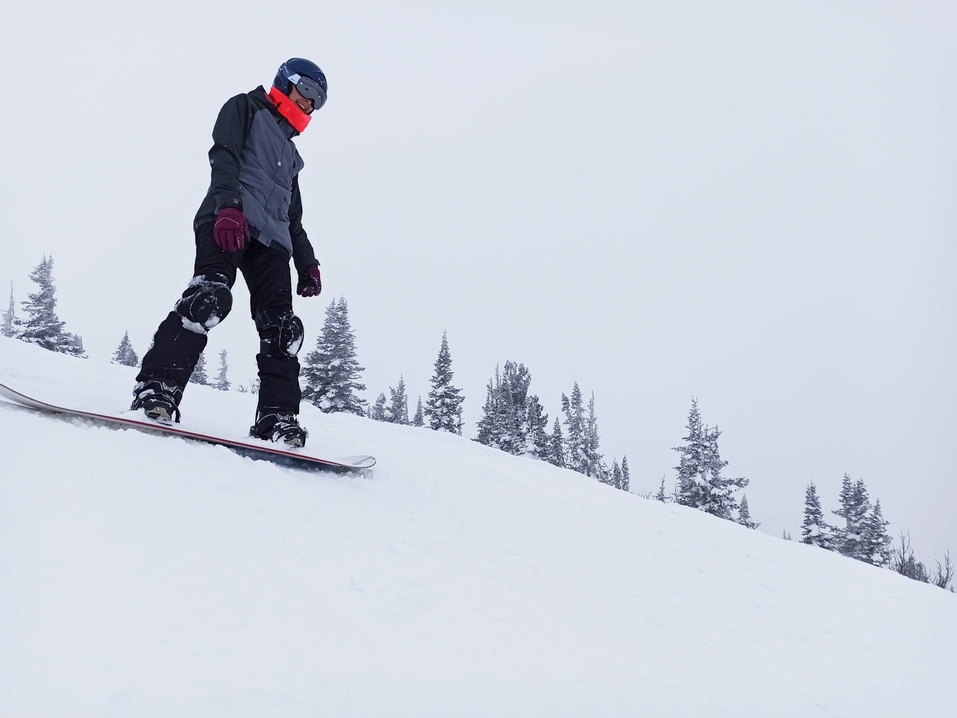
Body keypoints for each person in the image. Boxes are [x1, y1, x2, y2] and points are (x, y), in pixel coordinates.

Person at [131, 58, 328, 447]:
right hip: (229, 219)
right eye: (306, 94)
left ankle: (276, 418)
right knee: (209, 299)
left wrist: (307, 262)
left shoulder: (291, 156)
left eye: (316, 102)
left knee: (283, 331)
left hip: (272, 244)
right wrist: (228, 207)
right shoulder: (245, 107)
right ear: (285, 84)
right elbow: (223, 156)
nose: (309, 105)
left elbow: (294, 217)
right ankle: (157, 391)